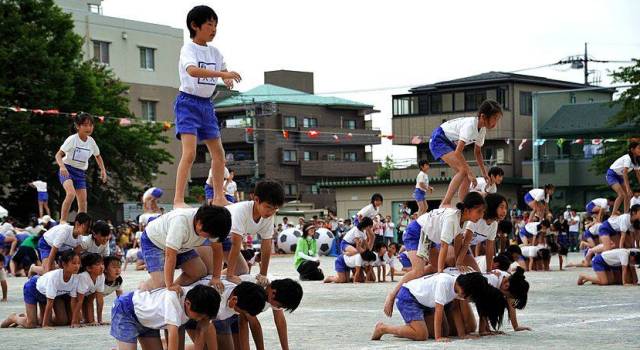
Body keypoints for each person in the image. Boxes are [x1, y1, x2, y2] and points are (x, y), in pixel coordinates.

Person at [173, 5, 242, 209]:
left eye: (216, 25)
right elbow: (193, 71)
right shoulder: (188, 49)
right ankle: (178, 199)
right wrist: (223, 76)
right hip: (188, 103)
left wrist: (227, 78)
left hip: (206, 105)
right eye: (209, 24)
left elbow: (223, 69)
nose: (214, 29)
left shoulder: (215, 52)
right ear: (195, 26)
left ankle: (219, 196)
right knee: (190, 153)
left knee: (219, 153)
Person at [383, 193, 485, 317]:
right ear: (467, 210)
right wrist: (440, 272)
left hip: (429, 235)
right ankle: (392, 295)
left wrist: (458, 263)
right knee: (418, 271)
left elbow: (458, 241)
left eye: (483, 212)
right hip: (417, 231)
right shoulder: (452, 219)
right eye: (479, 211)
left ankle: (425, 300)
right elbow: (443, 246)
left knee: (436, 268)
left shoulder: (465, 220)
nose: (481, 215)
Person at [372, 272, 506, 342]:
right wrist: (438, 338)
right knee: (421, 335)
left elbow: (455, 310)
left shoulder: (458, 286)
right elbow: (439, 312)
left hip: (425, 303)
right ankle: (383, 328)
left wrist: (462, 335)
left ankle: (409, 329)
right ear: (466, 291)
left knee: (445, 331)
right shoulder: (445, 283)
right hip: (409, 297)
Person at [139, 205, 232, 293]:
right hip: (154, 241)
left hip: (181, 245)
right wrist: (170, 284)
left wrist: (216, 277)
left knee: (198, 272)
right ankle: (145, 287)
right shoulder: (180, 222)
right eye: (209, 236)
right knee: (161, 284)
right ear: (199, 224)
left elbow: (217, 251)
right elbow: (170, 255)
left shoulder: (213, 225)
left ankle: (168, 288)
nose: (210, 239)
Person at [429, 100, 502, 207]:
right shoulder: (470, 126)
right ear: (483, 116)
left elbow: (477, 152)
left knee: (466, 176)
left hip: (450, 143)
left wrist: (484, 173)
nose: (496, 122)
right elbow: (458, 153)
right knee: (463, 171)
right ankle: (445, 202)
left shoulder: (482, 130)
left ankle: (464, 205)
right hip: (439, 139)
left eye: (498, 119)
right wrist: (470, 172)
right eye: (494, 118)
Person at [110, 284, 221, 350]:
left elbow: (202, 330)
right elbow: (173, 333)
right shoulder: (173, 300)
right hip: (127, 311)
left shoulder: (202, 299)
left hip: (150, 322)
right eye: (200, 316)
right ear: (187, 303)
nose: (201, 320)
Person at [217, 181, 284, 287]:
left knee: (242, 270)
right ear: (256, 200)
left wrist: (263, 274)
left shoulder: (269, 216)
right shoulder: (242, 210)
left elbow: (266, 246)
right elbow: (235, 244)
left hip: (225, 238)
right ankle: (213, 278)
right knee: (203, 271)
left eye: (275, 209)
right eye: (268, 207)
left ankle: (211, 280)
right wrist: (230, 275)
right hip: (209, 235)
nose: (271, 212)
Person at [1, 250, 80, 329]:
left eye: (78, 263)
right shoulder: (55, 278)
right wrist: (45, 325)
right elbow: (50, 303)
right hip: (33, 288)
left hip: (46, 293)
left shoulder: (75, 278)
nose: (77, 266)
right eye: (73, 263)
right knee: (31, 324)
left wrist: (74, 322)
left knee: (61, 321)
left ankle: (26, 316)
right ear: (64, 264)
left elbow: (73, 302)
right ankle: (13, 317)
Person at [55, 113, 107, 223]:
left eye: (91, 125)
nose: (89, 128)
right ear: (78, 126)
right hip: (67, 169)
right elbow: (58, 155)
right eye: (85, 125)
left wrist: (103, 170)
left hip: (80, 173)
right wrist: (62, 167)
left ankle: (80, 224)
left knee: (83, 203)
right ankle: (62, 221)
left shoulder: (91, 141)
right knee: (71, 193)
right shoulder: (72, 139)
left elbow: (98, 156)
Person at [468, 193, 508, 272]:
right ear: (492, 206)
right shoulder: (477, 219)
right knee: (477, 274)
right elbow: (463, 241)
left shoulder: (494, 224)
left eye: (506, 208)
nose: (504, 211)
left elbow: (489, 249)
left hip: (464, 249)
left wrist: (489, 271)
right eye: (501, 207)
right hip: (450, 245)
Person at [71, 253, 106, 327]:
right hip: (68, 298)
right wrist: (74, 322)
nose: (102, 267)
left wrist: (100, 320)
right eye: (97, 264)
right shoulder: (83, 277)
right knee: (63, 320)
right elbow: (78, 301)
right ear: (89, 268)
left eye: (102, 264)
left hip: (83, 298)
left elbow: (99, 300)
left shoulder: (101, 276)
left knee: (89, 321)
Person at [607, 141, 640, 215]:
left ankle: (626, 213)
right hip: (612, 174)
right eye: (638, 148)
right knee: (622, 195)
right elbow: (625, 173)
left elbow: (638, 174)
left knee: (628, 195)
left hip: (620, 175)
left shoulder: (636, 161)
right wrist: (628, 189)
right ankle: (613, 215)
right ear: (632, 150)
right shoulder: (628, 158)